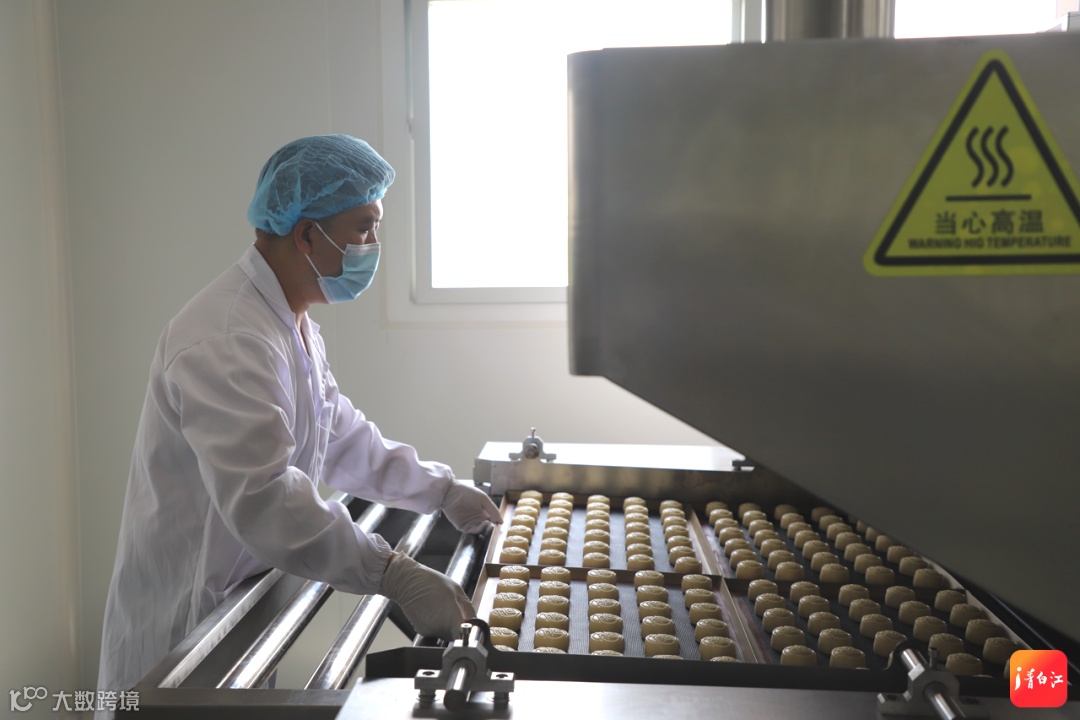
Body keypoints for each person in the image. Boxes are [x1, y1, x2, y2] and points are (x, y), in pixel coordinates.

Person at [96, 134, 501, 710]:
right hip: (181, 630)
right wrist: (391, 572)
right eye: (364, 227)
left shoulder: (285, 322)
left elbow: (339, 435)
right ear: (307, 233)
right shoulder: (228, 336)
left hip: (235, 610)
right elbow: (266, 499)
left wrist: (440, 489)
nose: (373, 246)